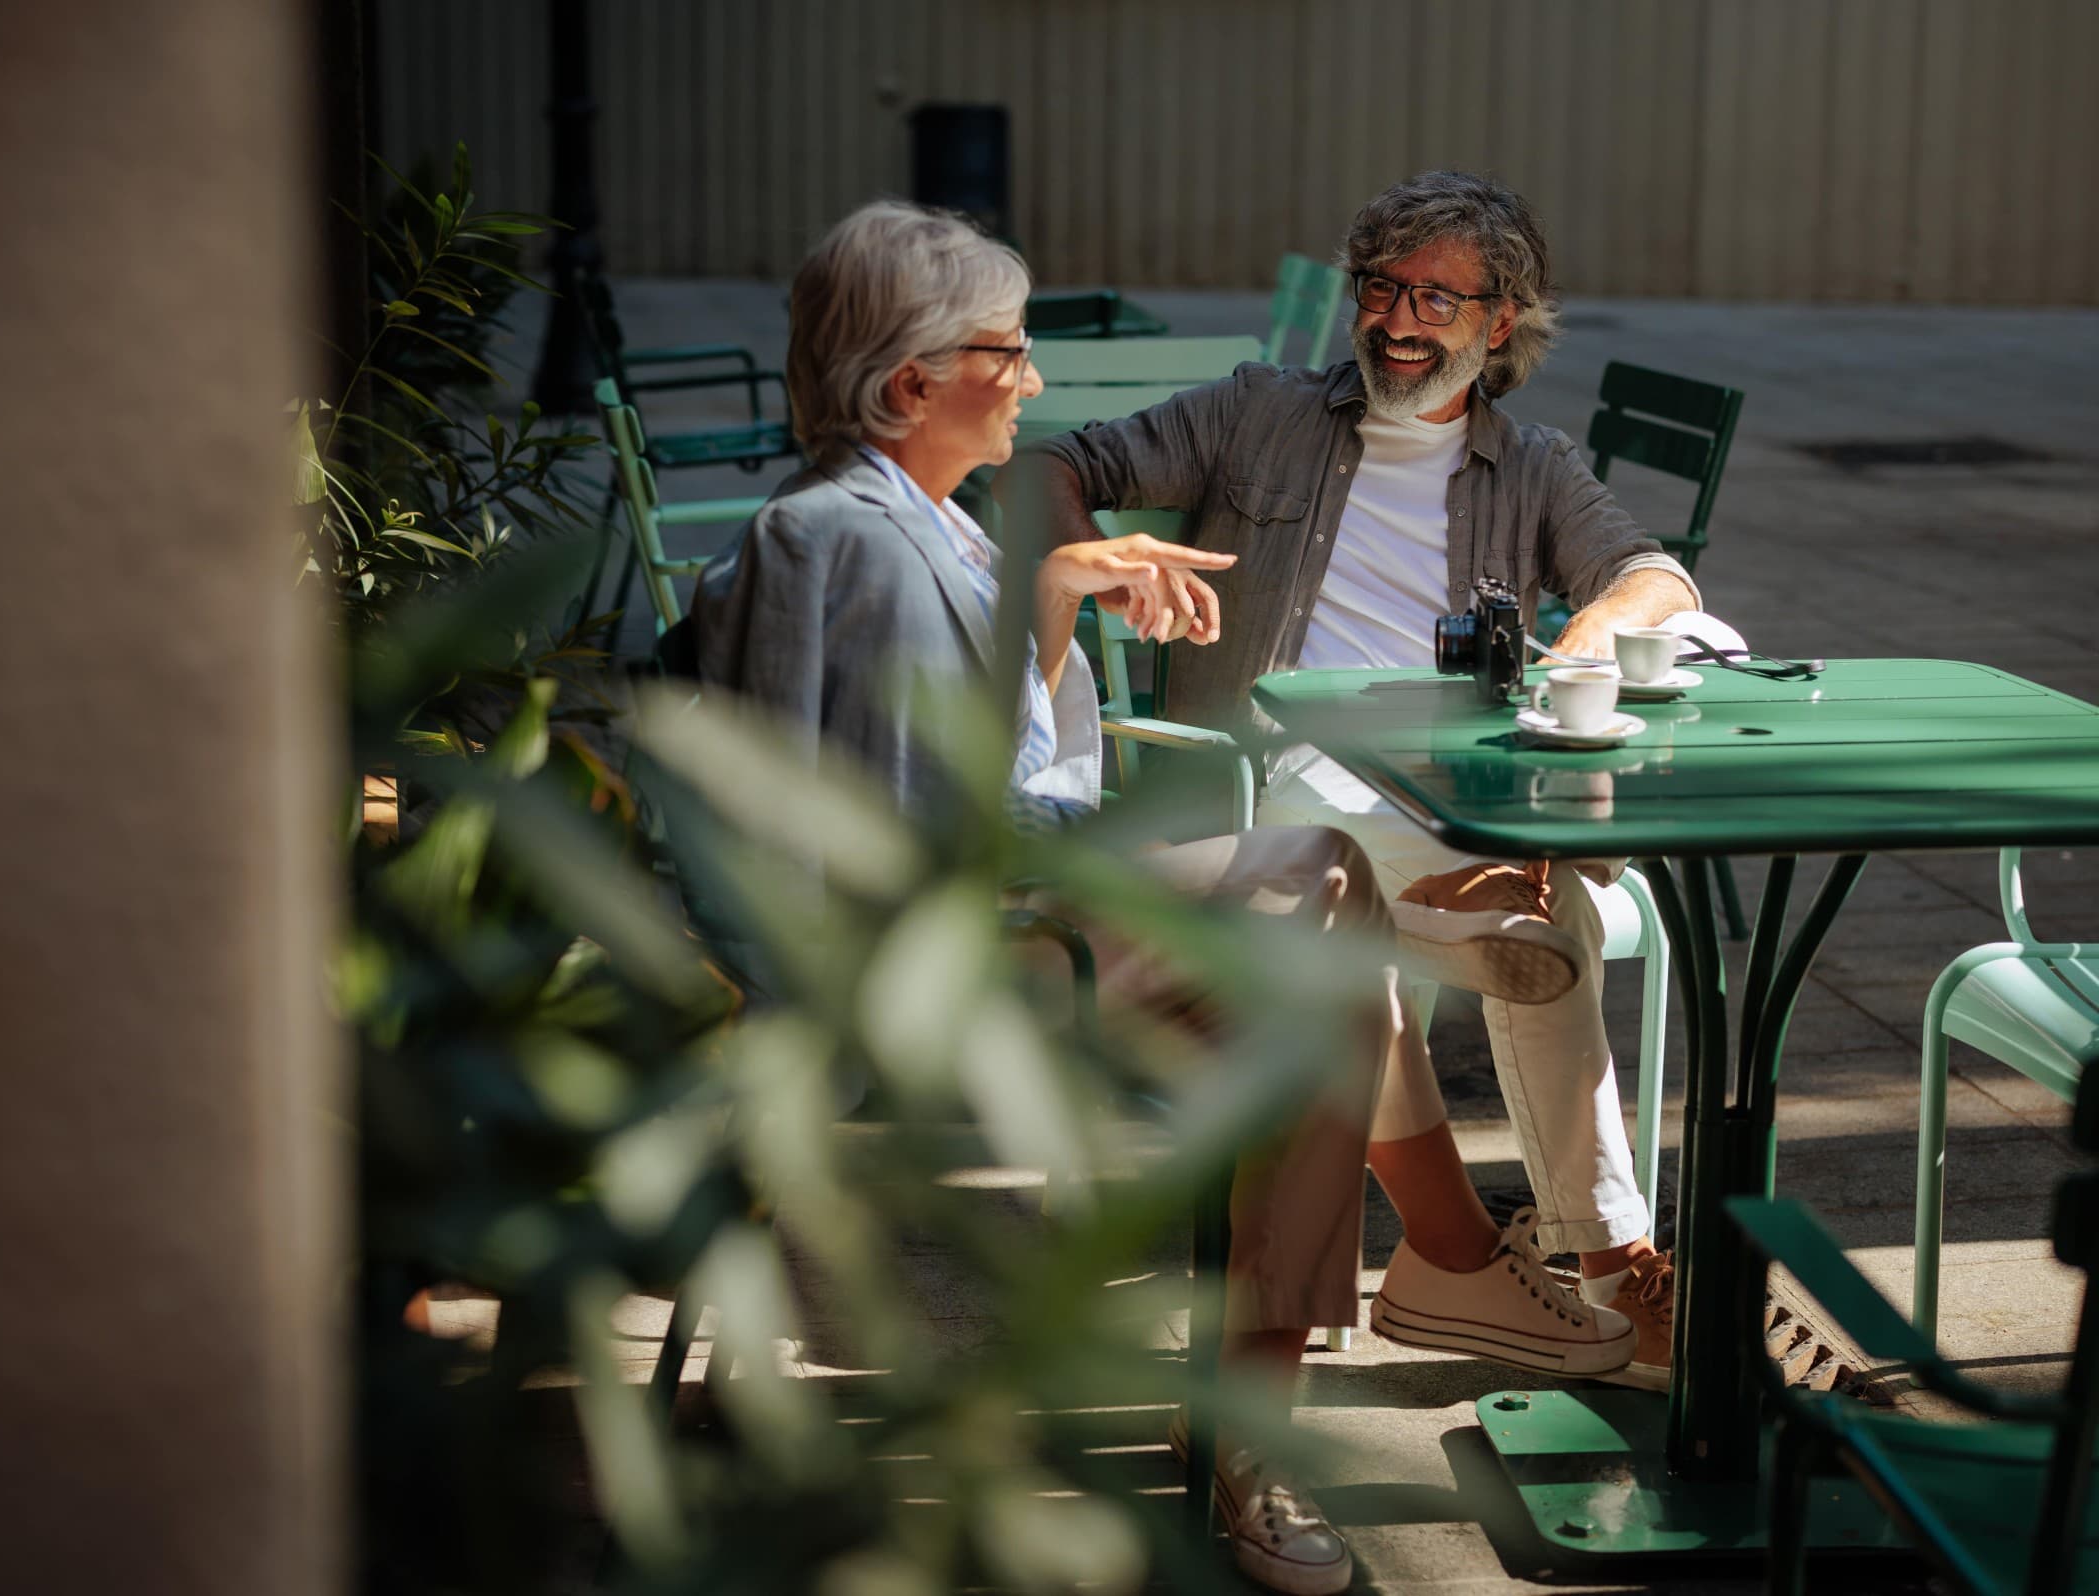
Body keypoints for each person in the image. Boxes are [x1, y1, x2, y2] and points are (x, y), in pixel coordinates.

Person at [690, 199, 1632, 1596]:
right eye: (1010, 353)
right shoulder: (859, 547)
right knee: (1317, 915)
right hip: (943, 974)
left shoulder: (913, 526)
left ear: (1501, 327)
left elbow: (986, 771)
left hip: (1015, 914)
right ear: (910, 386)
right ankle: (1307, 1385)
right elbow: (884, 849)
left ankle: (1367, 1319)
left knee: (1321, 946)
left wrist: (1059, 595)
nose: (1038, 381)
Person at [1007, 171, 1701, 1391]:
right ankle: (1594, 1254)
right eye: (1380, 286)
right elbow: (1054, 460)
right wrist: (1084, 556)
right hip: (1256, 787)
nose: (1398, 318)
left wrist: (1590, 635)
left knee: (1561, 925)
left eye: (1437, 296)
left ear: (1501, 323)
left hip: (1434, 794)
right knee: (1506, 909)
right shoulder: (1258, 411)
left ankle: (1602, 1261)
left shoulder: (1531, 466)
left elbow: (1657, 578)